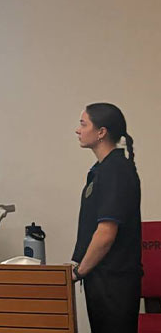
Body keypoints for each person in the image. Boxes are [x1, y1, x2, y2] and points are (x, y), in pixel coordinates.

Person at [71, 103, 141, 332]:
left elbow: (106, 233)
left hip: (114, 282)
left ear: (101, 132)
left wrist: (79, 272)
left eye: (83, 124)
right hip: (102, 279)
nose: (78, 130)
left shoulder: (116, 170)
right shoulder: (102, 169)